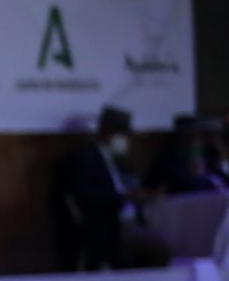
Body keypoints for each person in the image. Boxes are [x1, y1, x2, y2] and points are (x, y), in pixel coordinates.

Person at [54, 105, 170, 270]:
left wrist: (142, 195)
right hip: (104, 227)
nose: (125, 140)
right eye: (122, 134)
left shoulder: (116, 159)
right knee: (159, 250)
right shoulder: (85, 157)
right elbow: (86, 198)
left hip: (128, 222)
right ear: (108, 131)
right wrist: (125, 198)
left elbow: (129, 186)